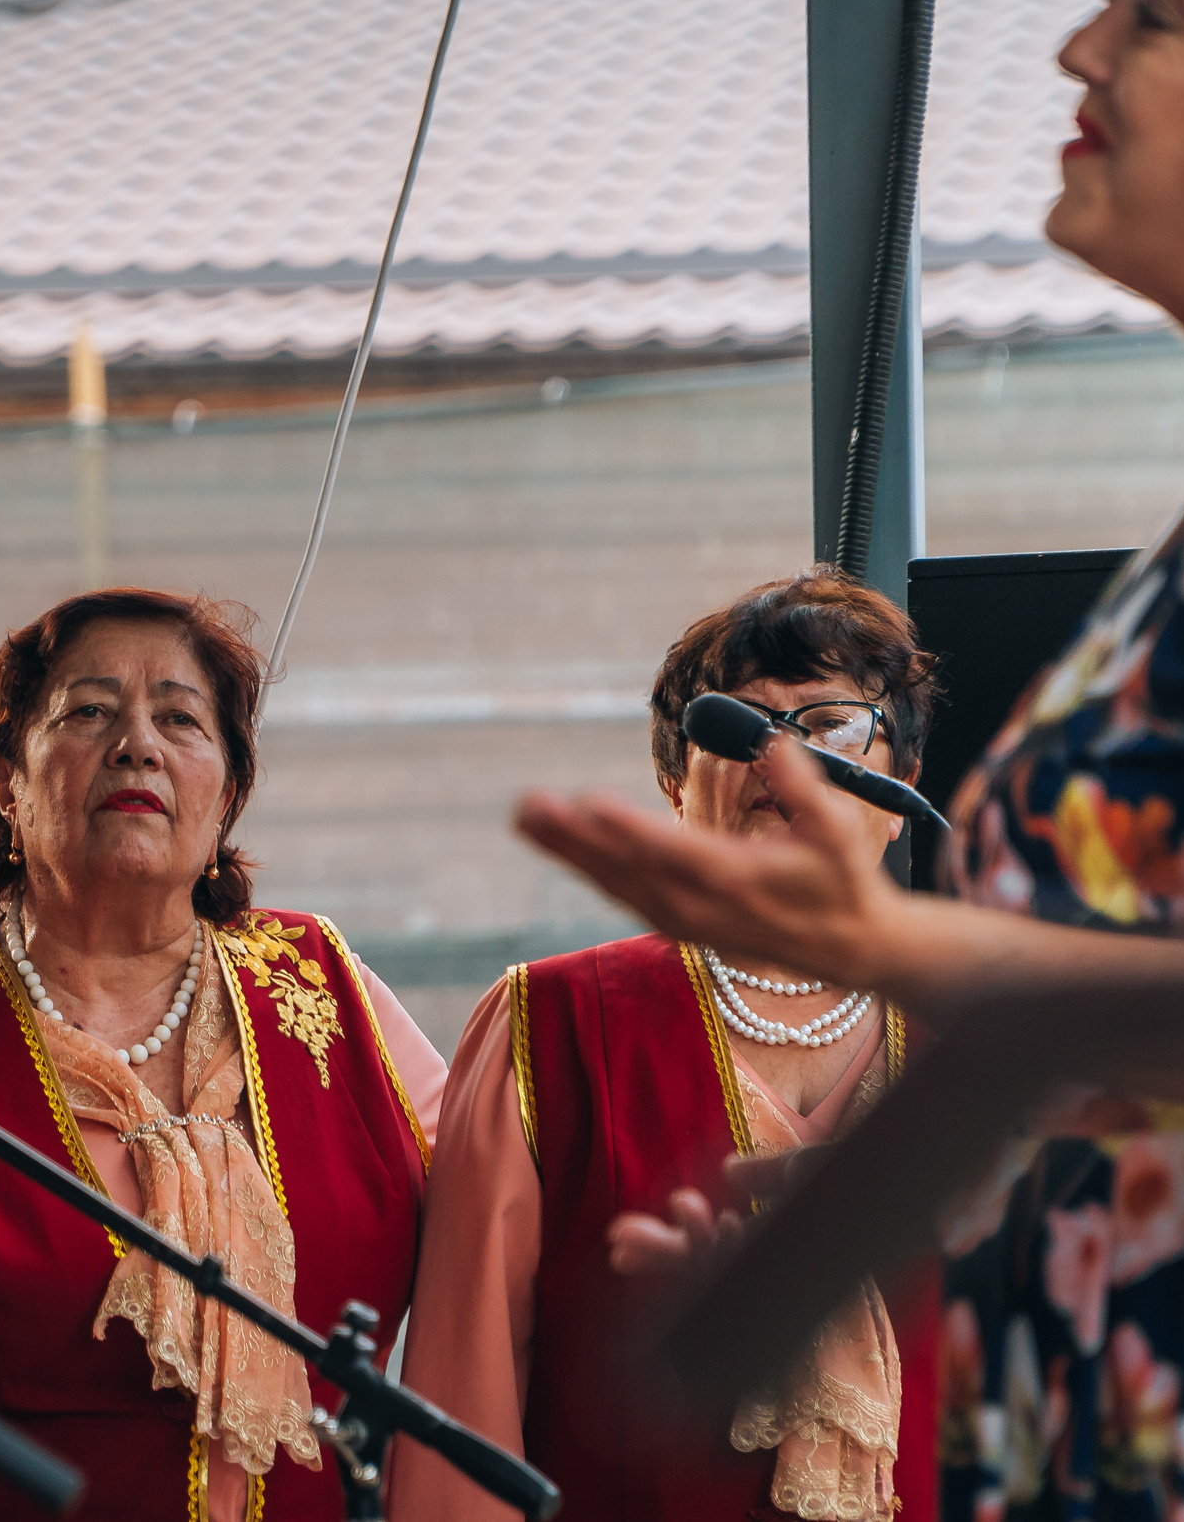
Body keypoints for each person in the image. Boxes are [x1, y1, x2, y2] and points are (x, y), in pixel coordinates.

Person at [512, 0, 1184, 1515]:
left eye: (1153, 11)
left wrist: (882, 937)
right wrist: (795, 1257)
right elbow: (1107, 1026)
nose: (1080, 46)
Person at [0, 588, 447, 1522]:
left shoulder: (330, 993)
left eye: (180, 717)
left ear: (228, 790)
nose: (138, 744)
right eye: (89, 711)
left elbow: (500, 1265)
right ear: (6, 781)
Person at [392, 569, 941, 1522]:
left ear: (901, 792)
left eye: (832, 723)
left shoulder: (985, 1031)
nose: (782, 755)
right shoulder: (549, 1025)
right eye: (738, 723)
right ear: (674, 787)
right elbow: (462, 1422)